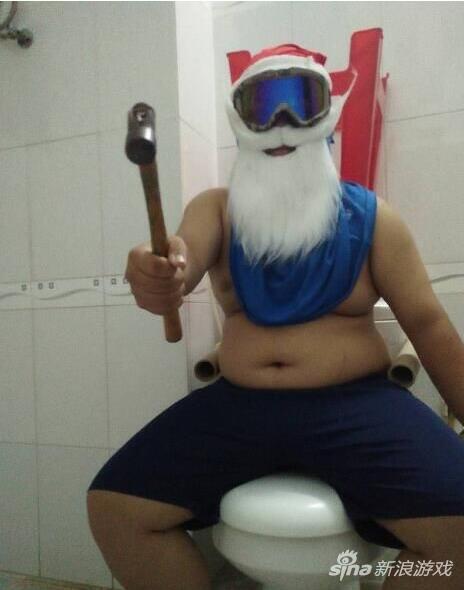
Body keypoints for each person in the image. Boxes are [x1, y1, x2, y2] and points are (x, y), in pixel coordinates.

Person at [87, 44, 464, 590]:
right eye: (262, 105)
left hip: (358, 405)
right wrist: (155, 272)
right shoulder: (215, 210)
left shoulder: (377, 221)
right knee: (115, 509)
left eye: (299, 100)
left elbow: (428, 324)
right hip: (239, 406)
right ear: (238, 119)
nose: (282, 122)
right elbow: (179, 261)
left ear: (328, 113)